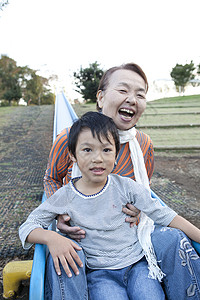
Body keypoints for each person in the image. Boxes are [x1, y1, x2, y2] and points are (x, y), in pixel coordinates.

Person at [43, 63, 200, 299]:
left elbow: (143, 186)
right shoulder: (68, 138)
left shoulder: (143, 144)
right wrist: (59, 214)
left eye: (140, 94)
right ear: (101, 97)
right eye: (123, 90)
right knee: (64, 256)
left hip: (129, 233)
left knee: (175, 238)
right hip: (85, 230)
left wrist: (138, 209)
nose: (132, 99)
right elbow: (52, 178)